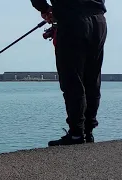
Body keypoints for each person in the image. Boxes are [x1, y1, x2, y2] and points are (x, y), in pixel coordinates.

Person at [30, 0, 108, 146]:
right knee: (92, 79)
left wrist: (45, 9)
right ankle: (88, 131)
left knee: (72, 80)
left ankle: (77, 134)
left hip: (72, 20)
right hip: (98, 21)